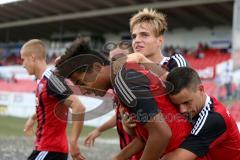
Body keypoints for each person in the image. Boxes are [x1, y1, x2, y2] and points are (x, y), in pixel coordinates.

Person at [55, 40, 192, 160]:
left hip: (183, 150)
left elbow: (161, 134)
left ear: (97, 67)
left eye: (82, 83)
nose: (84, 91)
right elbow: (145, 136)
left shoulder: (124, 78)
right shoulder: (120, 79)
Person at [20, 39, 85, 160]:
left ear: (33, 57)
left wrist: (74, 142)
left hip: (51, 150)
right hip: (49, 149)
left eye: (23, 59)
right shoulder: (43, 81)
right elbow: (49, 105)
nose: (22, 64)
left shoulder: (52, 79)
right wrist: (32, 118)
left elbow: (78, 106)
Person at [161, 67, 240, 160]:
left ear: (201, 89)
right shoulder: (198, 106)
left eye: (186, 102)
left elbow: (178, 158)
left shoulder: (214, 118)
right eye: (177, 105)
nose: (182, 110)